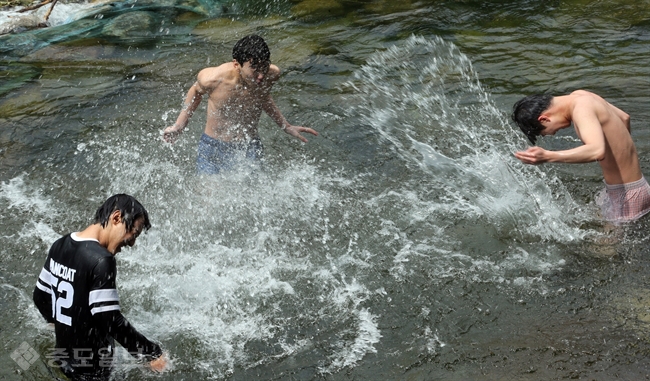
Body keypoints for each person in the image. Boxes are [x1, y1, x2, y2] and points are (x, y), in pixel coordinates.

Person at [33, 194, 167, 380]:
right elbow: (110, 319)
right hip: (93, 373)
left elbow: (40, 297)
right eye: (133, 233)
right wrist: (151, 354)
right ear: (116, 218)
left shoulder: (60, 245)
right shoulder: (102, 260)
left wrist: (64, 326)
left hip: (62, 362)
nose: (132, 243)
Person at [162, 34, 318, 174]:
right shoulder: (213, 79)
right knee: (208, 198)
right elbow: (195, 92)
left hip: (250, 146)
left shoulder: (272, 75)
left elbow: (263, 97)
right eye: (255, 68)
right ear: (237, 65)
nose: (261, 75)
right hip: (213, 147)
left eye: (264, 66)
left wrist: (286, 125)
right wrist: (179, 125)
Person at [512, 90, 650, 223]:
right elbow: (624, 117)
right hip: (628, 188)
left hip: (627, 196)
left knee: (603, 246)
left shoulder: (581, 109)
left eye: (545, 132)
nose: (552, 134)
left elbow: (597, 150)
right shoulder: (581, 95)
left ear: (544, 119)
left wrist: (548, 156)